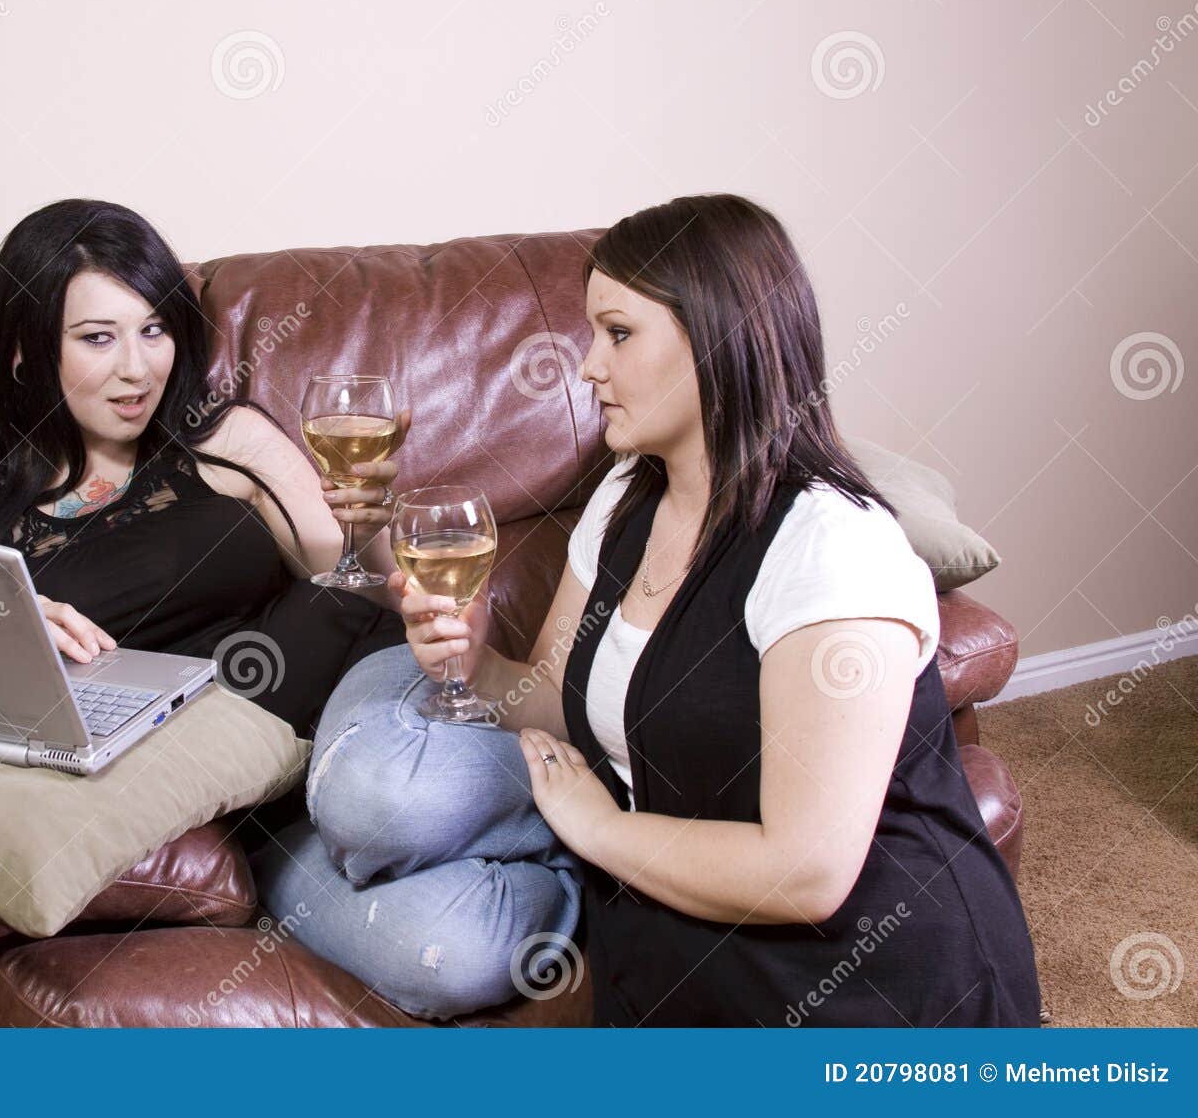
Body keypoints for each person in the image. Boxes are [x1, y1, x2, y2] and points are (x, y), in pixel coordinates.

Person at [260, 193, 1041, 1027]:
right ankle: (271, 846)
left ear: (721, 338)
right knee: (422, 900)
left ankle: (278, 853)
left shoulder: (831, 548)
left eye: (619, 333)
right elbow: (559, 698)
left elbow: (809, 872)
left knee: (445, 934)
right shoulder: (627, 501)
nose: (589, 366)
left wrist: (598, 829)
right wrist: (469, 665)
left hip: (871, 981)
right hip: (677, 930)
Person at [0, 198, 407, 744]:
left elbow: (359, 582)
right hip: (205, 772)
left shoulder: (227, 438)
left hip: (366, 709)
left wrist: (369, 525)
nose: (138, 368)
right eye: (98, 337)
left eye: (154, 331)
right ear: (23, 354)